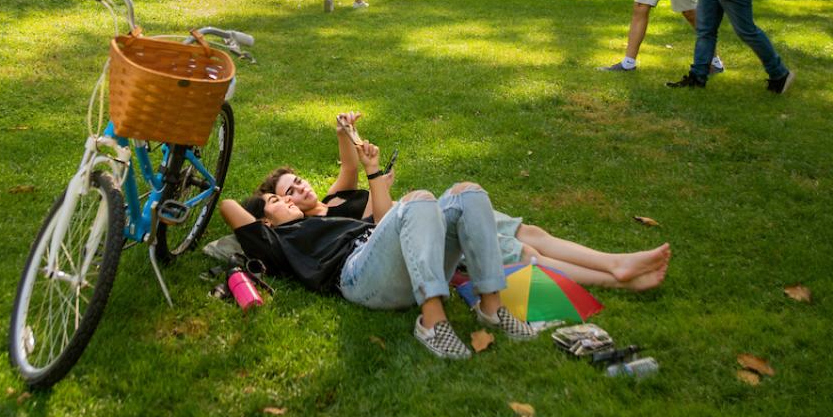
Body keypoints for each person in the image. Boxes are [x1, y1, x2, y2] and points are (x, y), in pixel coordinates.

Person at [254, 112, 672, 291]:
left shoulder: (334, 197)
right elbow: (383, 221)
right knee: (523, 253)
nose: (300, 190)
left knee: (530, 232)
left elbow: (348, 163)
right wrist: (377, 176)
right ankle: (617, 272)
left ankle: (611, 260)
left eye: (298, 181)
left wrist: (344, 128)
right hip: (424, 234)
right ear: (282, 207)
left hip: (432, 212)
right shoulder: (321, 228)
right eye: (289, 192)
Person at [221, 149, 536, 359]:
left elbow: (366, 199)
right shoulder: (276, 242)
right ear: (264, 223)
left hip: (394, 257)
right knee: (418, 200)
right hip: (358, 275)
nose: (288, 201)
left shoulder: (321, 218)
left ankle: (492, 307)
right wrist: (262, 209)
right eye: (277, 202)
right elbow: (228, 206)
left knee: (468, 193)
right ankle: (432, 322)